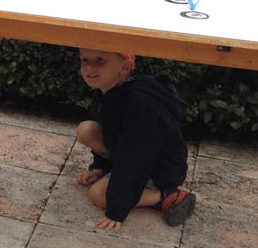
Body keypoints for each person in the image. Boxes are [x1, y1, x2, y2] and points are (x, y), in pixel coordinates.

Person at [75, 49, 197, 229]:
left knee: (99, 195)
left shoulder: (140, 105)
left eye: (100, 60)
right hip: (132, 153)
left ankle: (168, 196)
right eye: (85, 60)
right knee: (86, 130)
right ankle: (113, 176)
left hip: (159, 167)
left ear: (125, 68)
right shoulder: (108, 89)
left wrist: (117, 209)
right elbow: (108, 131)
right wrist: (100, 167)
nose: (89, 67)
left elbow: (136, 157)